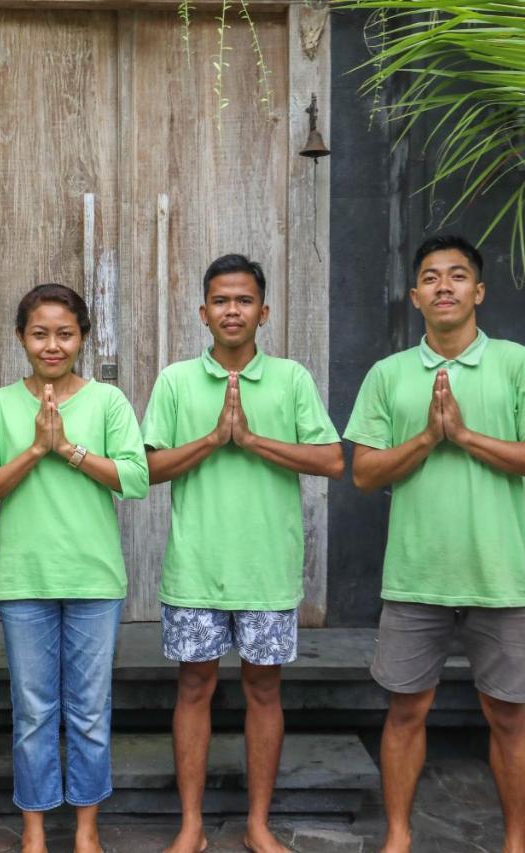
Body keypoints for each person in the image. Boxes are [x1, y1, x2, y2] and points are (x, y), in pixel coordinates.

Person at [344, 235, 525, 853]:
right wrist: (427, 440)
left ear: (479, 291)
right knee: (406, 713)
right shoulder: (388, 375)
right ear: (414, 296)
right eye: (432, 278)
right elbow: (363, 473)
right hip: (416, 575)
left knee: (508, 715)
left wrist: (466, 437)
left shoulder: (518, 365)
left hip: (497, 576)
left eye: (458, 276)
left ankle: (516, 844)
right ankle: (397, 838)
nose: (445, 286)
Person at [142, 254, 344, 853]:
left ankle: (258, 824)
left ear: (264, 310)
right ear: (203, 312)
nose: (233, 311)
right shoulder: (177, 380)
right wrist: (211, 440)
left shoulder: (291, 379)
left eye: (244, 301)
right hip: (197, 569)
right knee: (194, 689)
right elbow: (148, 467)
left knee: (264, 691)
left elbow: (332, 460)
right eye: (222, 301)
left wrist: (252, 441)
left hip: (267, 569)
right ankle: (191, 826)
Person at [0, 283, 149, 853]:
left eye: (65, 334)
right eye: (39, 333)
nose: (52, 345)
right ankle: (35, 829)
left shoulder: (108, 402)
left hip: (94, 580)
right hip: (25, 582)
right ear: (21, 337)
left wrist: (67, 448)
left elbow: (136, 479)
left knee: (90, 712)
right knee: (35, 712)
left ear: (83, 338)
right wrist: (35, 450)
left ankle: (87, 829)